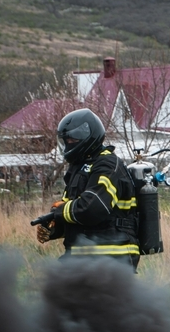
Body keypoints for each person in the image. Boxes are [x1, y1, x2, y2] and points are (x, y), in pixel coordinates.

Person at [35, 108, 140, 270]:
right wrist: (54, 228)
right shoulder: (78, 168)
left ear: (86, 137)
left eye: (71, 140)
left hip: (111, 258)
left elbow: (92, 208)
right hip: (82, 257)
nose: (68, 144)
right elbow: (74, 214)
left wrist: (59, 212)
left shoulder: (108, 165)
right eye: (65, 140)